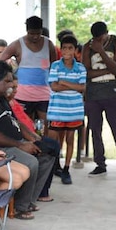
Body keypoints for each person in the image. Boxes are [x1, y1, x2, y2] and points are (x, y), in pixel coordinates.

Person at [0, 61, 56, 220]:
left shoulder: (0, 96)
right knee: (31, 162)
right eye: (7, 81)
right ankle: (20, 207)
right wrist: (21, 145)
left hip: (15, 142)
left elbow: (16, 122)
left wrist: (33, 137)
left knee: (48, 152)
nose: (10, 84)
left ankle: (27, 200)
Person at [81, 21, 116, 181]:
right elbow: (87, 73)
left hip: (112, 92)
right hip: (93, 94)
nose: (98, 41)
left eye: (101, 37)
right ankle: (100, 164)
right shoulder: (87, 47)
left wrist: (101, 52)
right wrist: (110, 69)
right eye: (96, 39)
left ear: (107, 33)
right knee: (95, 130)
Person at [0, 16, 58, 123]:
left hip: (44, 94)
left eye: (38, 33)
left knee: (45, 126)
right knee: (26, 125)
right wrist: (10, 78)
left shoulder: (48, 44)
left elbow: (54, 66)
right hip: (23, 94)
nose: (35, 37)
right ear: (27, 31)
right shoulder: (17, 44)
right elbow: (0, 61)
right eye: (32, 33)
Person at [47, 34, 86, 185]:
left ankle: (66, 169)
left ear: (75, 50)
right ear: (61, 49)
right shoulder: (55, 65)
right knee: (53, 141)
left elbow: (82, 88)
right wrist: (72, 85)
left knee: (70, 139)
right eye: (64, 48)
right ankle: (53, 167)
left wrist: (63, 82)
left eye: (70, 48)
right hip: (57, 110)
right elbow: (54, 87)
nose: (67, 51)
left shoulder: (80, 68)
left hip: (74, 110)